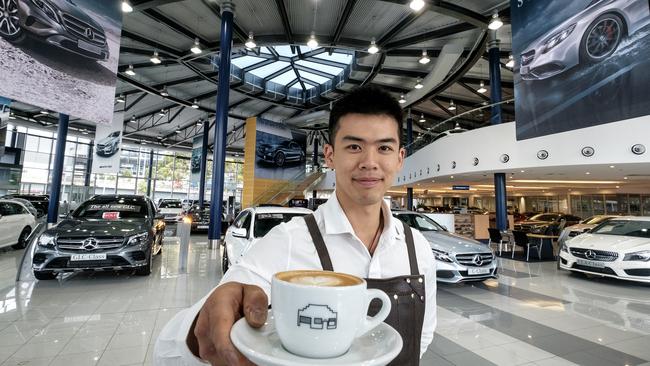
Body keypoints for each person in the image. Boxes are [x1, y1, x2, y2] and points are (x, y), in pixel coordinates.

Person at [154, 85, 437, 365]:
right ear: (329, 156)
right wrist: (196, 332)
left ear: (400, 158)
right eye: (354, 146)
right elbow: (167, 351)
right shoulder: (287, 240)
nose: (369, 162)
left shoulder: (418, 248)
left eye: (384, 148)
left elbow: (421, 337)